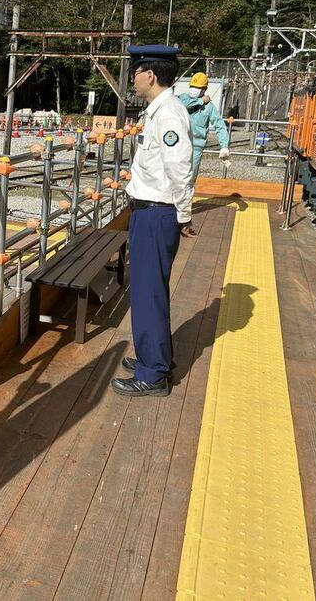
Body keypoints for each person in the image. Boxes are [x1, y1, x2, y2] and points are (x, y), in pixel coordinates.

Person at [112, 44, 193, 398]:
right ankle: (154, 356)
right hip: (150, 210)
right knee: (149, 291)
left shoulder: (169, 114)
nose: (134, 76)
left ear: (151, 75)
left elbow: (180, 168)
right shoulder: (158, 110)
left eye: (137, 70)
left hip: (157, 212)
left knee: (147, 294)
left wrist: (184, 214)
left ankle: (153, 373)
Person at [177, 72, 230, 238]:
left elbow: (220, 125)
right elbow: (183, 106)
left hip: (196, 149)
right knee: (174, 180)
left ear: (205, 88)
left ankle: (184, 221)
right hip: (177, 146)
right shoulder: (181, 99)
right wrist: (200, 100)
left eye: (198, 88)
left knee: (188, 183)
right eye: (192, 87)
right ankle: (173, 215)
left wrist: (224, 146)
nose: (194, 90)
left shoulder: (209, 108)